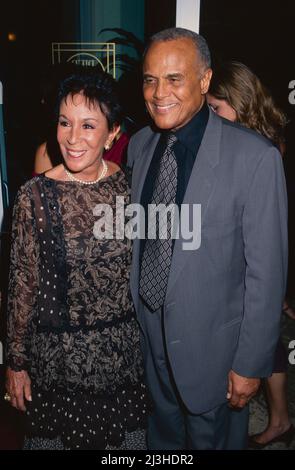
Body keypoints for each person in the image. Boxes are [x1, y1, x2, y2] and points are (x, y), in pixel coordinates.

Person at [127, 27, 288, 450]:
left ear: (204, 81)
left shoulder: (254, 158)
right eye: (149, 79)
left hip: (214, 354)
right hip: (150, 343)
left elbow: (267, 275)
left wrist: (250, 364)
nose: (158, 92)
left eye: (174, 78)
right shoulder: (140, 146)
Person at [5, 68, 150, 450]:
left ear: (113, 133)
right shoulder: (34, 197)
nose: (72, 138)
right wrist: (16, 363)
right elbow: (22, 285)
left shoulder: (129, 185)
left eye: (88, 126)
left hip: (121, 362)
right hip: (59, 366)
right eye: (64, 122)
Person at [207, 60, 295, 449]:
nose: (210, 118)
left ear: (238, 102)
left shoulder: (263, 149)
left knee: (259, 345)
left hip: (257, 265)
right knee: (266, 345)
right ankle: (279, 418)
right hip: (250, 265)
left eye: (215, 109)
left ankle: (276, 419)